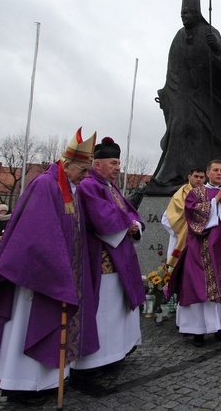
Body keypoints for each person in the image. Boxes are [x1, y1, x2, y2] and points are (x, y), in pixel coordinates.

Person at [0, 128, 99, 405]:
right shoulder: (46, 185)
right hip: (36, 276)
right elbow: (36, 234)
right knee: (26, 326)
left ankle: (41, 383)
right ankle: (19, 384)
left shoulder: (70, 189)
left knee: (50, 325)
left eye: (88, 169)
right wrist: (57, 268)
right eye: (82, 168)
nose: (86, 174)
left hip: (58, 275)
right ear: (66, 164)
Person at [147, 0, 221, 196]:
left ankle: (208, 176)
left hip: (207, 96)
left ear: (197, 13)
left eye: (188, 12)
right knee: (178, 130)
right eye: (182, 13)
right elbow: (172, 70)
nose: (184, 16)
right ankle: (172, 176)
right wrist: (167, 94)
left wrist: (218, 50)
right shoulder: (178, 36)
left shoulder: (210, 32)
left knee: (205, 133)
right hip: (183, 97)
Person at [74, 137, 145, 375]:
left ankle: (116, 352)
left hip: (119, 259)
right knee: (103, 312)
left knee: (116, 310)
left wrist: (134, 223)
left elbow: (128, 211)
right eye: (113, 163)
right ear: (97, 164)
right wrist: (129, 225)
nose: (118, 168)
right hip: (101, 260)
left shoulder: (109, 187)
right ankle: (94, 361)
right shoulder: (89, 186)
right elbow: (101, 217)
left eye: (118, 163)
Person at [165, 160, 221, 347]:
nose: (219, 173)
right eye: (215, 170)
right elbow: (192, 214)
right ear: (208, 173)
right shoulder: (195, 193)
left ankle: (220, 328)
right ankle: (197, 331)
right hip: (200, 247)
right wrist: (215, 203)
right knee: (200, 286)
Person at [161, 168, 206, 272]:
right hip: (182, 238)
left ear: (205, 178)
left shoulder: (207, 194)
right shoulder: (180, 194)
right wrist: (183, 230)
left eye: (201, 177)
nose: (198, 179)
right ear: (189, 177)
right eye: (196, 176)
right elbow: (166, 218)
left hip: (202, 239)